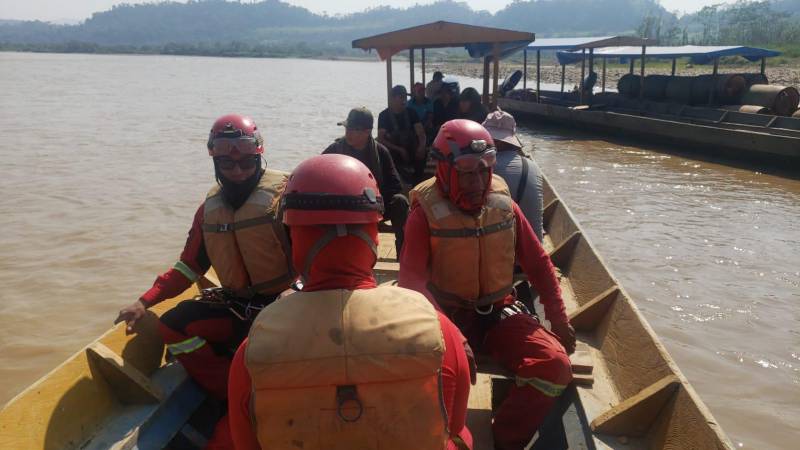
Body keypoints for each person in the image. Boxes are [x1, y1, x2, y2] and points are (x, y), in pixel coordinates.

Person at [227, 154, 473, 450]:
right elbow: (454, 422)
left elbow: (246, 443)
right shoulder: (438, 329)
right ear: (374, 236)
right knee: (463, 438)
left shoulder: (253, 348)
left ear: (292, 238)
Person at [398, 119, 575, 450]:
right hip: (445, 315)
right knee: (429, 377)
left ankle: (503, 439)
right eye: (467, 172)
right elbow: (411, 285)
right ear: (445, 170)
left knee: (555, 366)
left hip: (498, 310)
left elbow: (538, 263)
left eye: (485, 170)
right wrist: (454, 336)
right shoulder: (424, 214)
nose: (478, 181)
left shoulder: (502, 202)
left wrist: (558, 315)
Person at [115, 114, 293, 401]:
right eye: (227, 164)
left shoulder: (288, 197)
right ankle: (234, 396)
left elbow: (321, 256)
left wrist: (300, 290)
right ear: (215, 163)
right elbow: (189, 267)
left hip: (290, 307)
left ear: (259, 158)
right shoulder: (208, 211)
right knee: (173, 325)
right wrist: (144, 301)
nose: (238, 172)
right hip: (241, 309)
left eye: (247, 163)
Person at [323, 106, 409, 255]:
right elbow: (316, 174)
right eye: (346, 128)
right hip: (344, 205)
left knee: (400, 201)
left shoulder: (381, 152)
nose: (347, 133)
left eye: (353, 129)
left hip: (375, 205)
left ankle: (404, 254)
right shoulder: (335, 149)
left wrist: (374, 202)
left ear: (367, 132)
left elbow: (395, 185)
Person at [483, 109, 543, 241]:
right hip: (533, 249)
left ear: (494, 141)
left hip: (503, 253)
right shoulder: (532, 166)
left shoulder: (484, 166)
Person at [378, 85, 427, 185]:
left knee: (423, 154)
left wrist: (421, 146)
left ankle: (417, 182)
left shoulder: (411, 113)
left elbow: (421, 133)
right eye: (401, 98)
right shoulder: (384, 115)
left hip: (411, 148)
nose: (404, 101)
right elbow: (381, 139)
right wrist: (399, 150)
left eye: (405, 97)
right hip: (394, 151)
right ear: (392, 99)